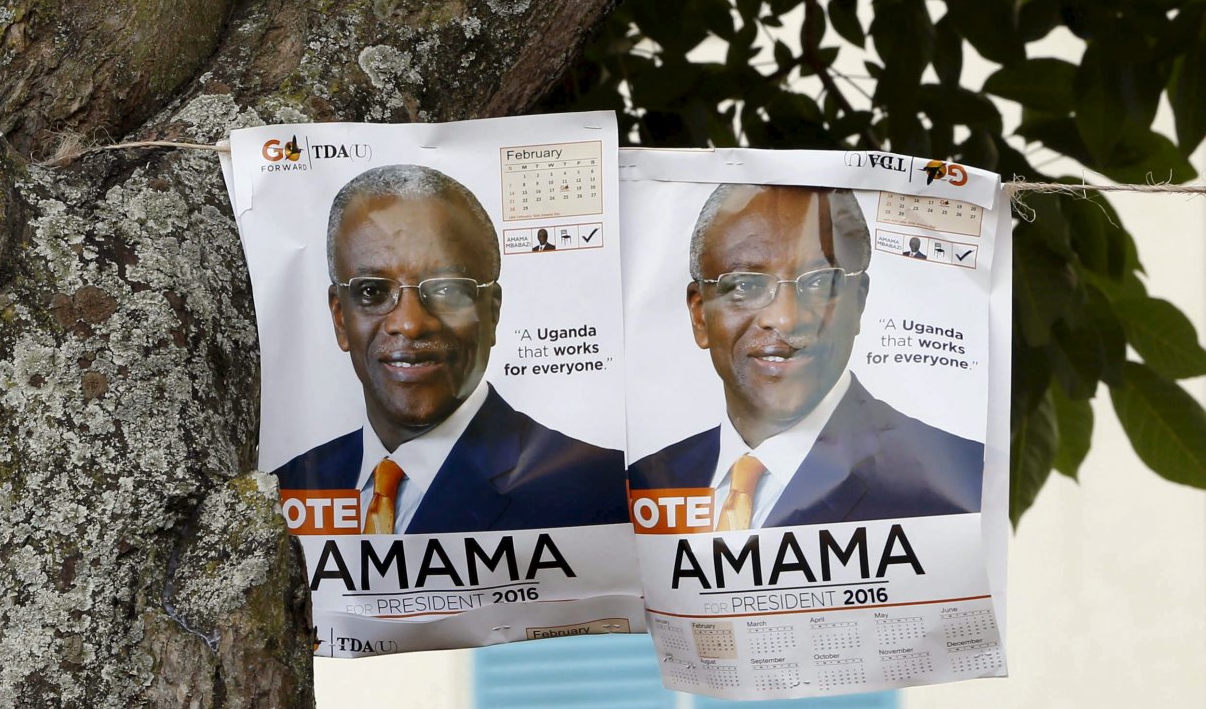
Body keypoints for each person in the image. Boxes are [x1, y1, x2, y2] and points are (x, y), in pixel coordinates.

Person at [272, 165, 625, 535]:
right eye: (373, 291)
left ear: (492, 311)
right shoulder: (284, 492)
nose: (409, 323)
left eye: (447, 290)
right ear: (340, 318)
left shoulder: (599, 491)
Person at [628, 184, 982, 527]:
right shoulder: (639, 486)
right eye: (746, 286)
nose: (784, 317)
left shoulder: (965, 479)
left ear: (858, 302)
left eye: (818, 283)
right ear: (700, 315)